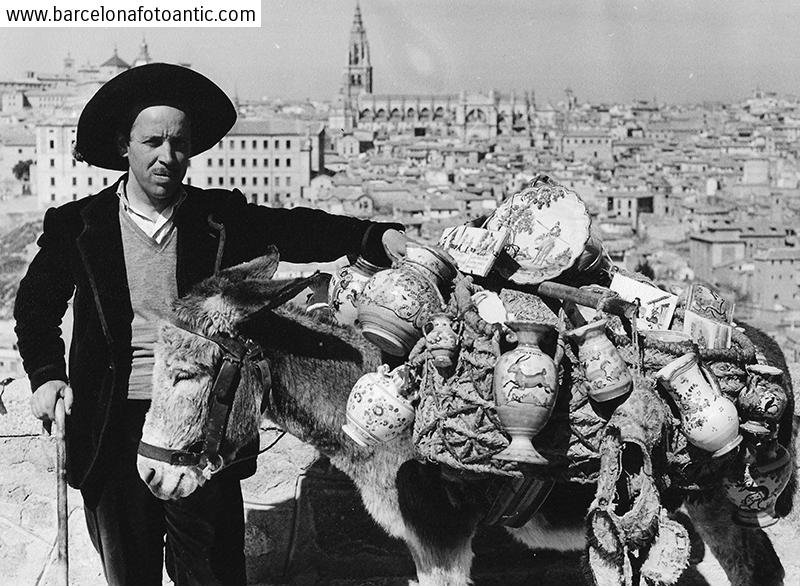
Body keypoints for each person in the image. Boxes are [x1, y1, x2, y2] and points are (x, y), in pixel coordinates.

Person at [14, 63, 407, 586]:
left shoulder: (217, 217)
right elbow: (36, 307)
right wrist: (46, 374)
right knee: (129, 574)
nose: (166, 156)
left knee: (215, 574)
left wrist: (370, 238)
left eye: (178, 143)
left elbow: (290, 227)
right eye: (152, 141)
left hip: (203, 417)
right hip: (112, 419)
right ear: (122, 146)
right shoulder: (79, 225)